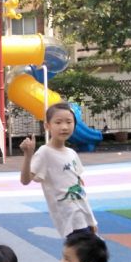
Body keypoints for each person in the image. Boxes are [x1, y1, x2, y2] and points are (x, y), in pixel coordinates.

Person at [19, 102, 98, 238]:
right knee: (84, 250)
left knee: (87, 250)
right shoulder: (44, 152)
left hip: (83, 215)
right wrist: (28, 156)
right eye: (58, 122)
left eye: (69, 122)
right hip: (69, 218)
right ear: (47, 126)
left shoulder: (72, 153)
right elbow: (25, 180)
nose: (64, 127)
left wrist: (90, 219)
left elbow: (79, 186)